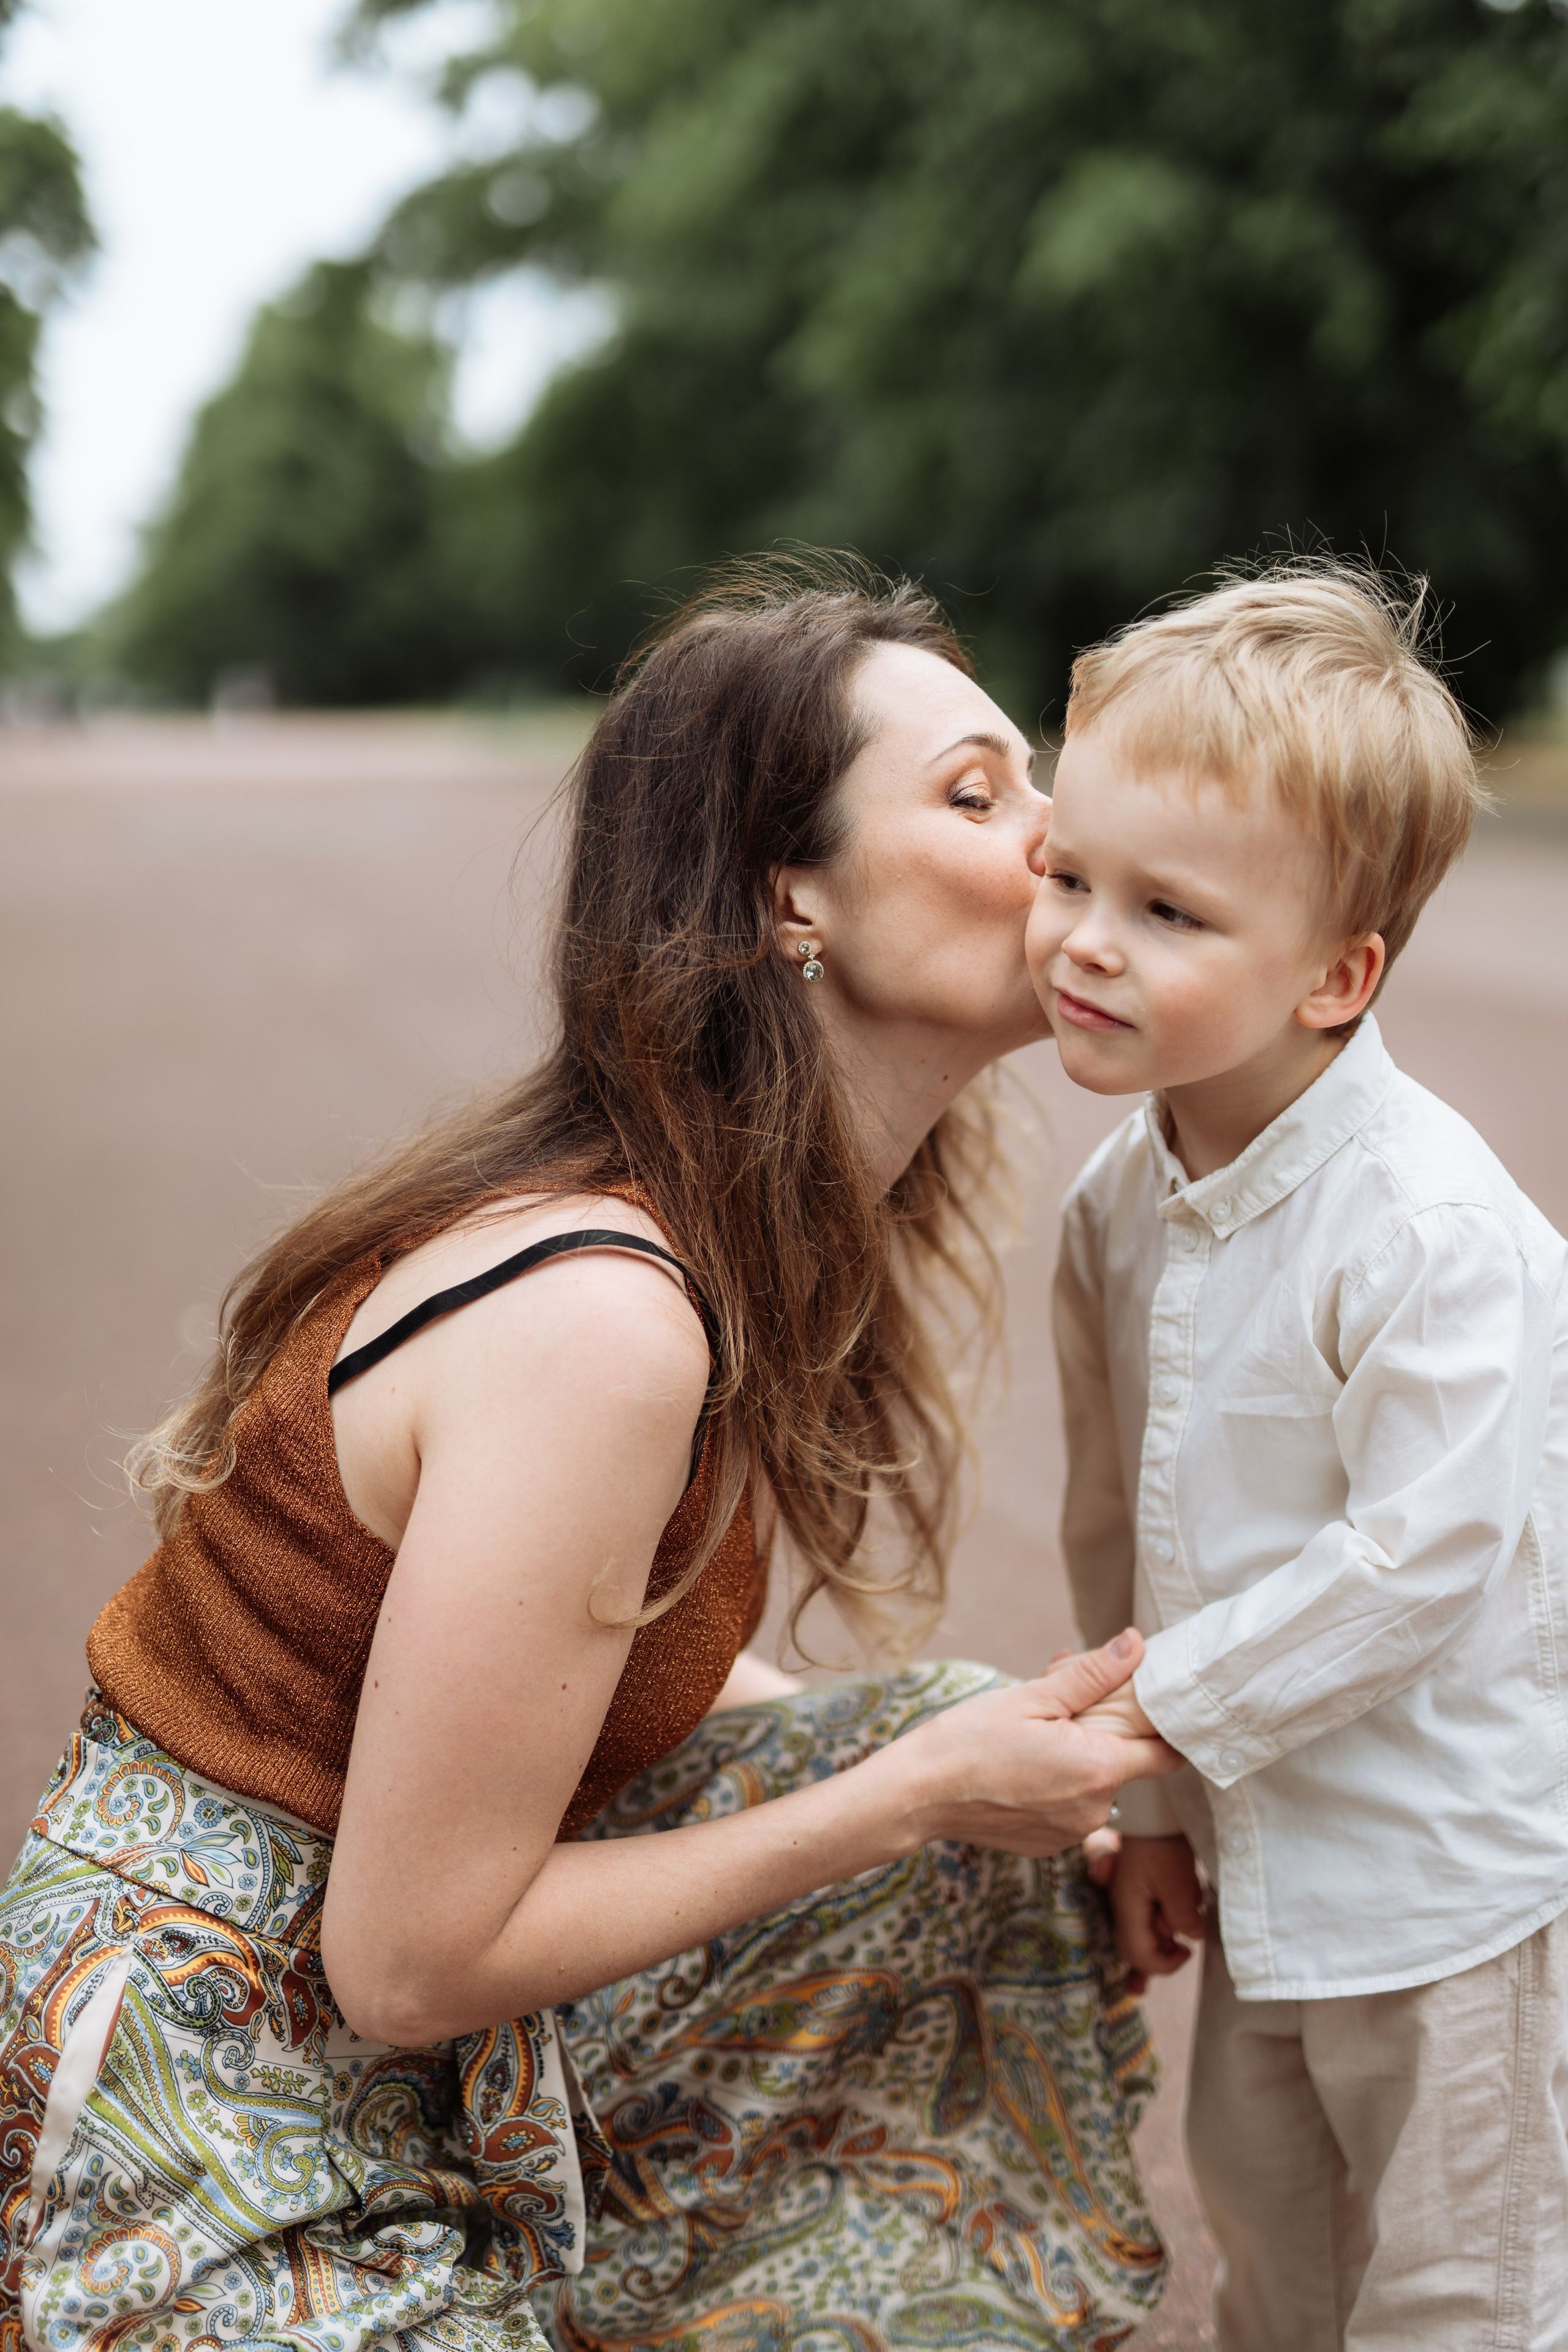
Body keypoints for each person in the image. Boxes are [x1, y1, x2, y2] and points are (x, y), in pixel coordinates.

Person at [0, 557, 1182, 2352]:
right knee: (921, 1793)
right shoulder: (607, 1323)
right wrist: (926, 1787)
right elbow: (405, 1963)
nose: (1051, 828)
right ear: (793, 897)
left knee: (948, 1790)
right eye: (978, 790)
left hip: (343, 2005)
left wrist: (997, 1773)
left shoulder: (741, 1243)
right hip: (199, 2068)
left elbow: (610, 1665)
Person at [1028, 560, 1568, 2351]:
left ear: (1339, 974)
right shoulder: (1119, 1208)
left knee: (1461, 2302)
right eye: (1069, 877)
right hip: (1253, 1860)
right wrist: (1158, 1803)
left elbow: (1426, 1559)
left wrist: (1141, 1717)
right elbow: (1122, 1524)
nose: (1088, 940)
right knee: (1274, 2276)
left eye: (1169, 910)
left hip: (1450, 1887)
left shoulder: (1424, 1228)